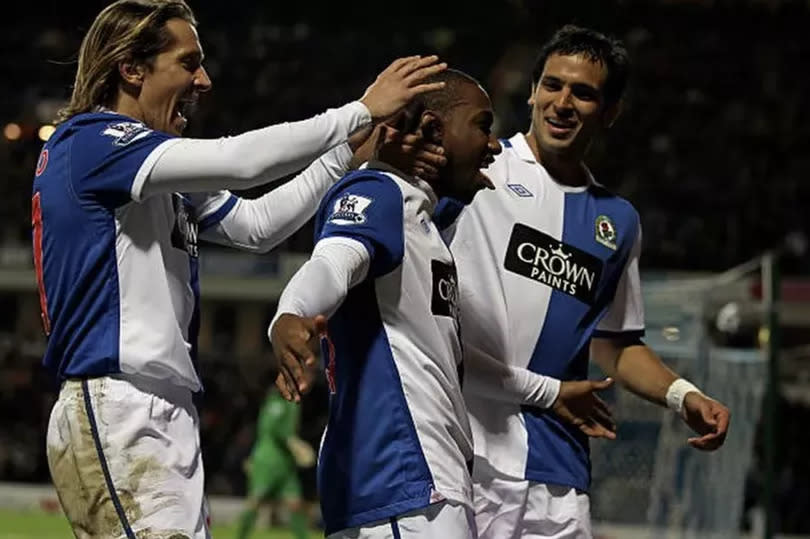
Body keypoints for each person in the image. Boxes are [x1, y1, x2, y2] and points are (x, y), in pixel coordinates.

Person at [33, 1, 447, 537]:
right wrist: (360, 111)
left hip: (159, 404)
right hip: (116, 400)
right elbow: (242, 161)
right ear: (131, 68)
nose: (204, 79)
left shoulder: (153, 171)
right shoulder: (91, 141)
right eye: (188, 63)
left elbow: (257, 224)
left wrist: (345, 153)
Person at [433, 25, 732, 538]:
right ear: (532, 91)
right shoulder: (475, 168)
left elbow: (617, 346)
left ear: (610, 112)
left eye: (584, 93)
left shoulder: (617, 222)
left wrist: (684, 395)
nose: (562, 103)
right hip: (463, 451)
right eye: (552, 85)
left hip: (558, 469)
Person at [268, 69, 501, 538]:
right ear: (434, 130)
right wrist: (290, 312)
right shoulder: (380, 193)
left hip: (416, 489)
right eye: (483, 126)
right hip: (402, 486)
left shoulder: (422, 213)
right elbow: (335, 260)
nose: (494, 145)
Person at [236, 386, 316, 539]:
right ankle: (240, 536)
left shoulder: (280, 402)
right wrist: (296, 445)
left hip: (284, 462)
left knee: (295, 503)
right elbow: (277, 430)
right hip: (268, 461)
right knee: (256, 501)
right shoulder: (279, 403)